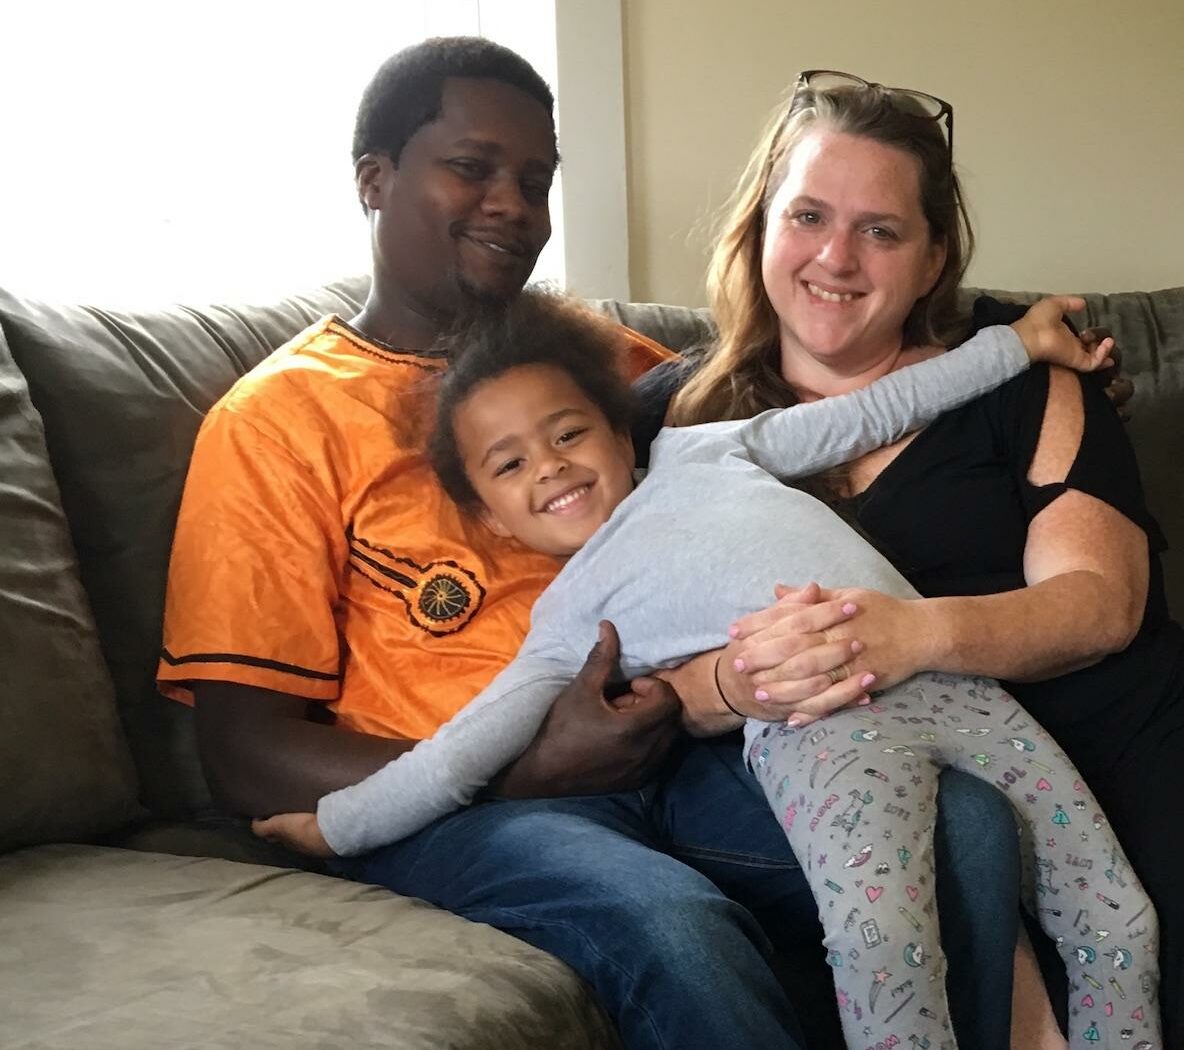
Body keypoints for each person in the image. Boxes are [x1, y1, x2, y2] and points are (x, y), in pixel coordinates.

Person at [158, 37, 1030, 1050]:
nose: (512, 206)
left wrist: (1032, 374)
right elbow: (242, 753)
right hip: (468, 809)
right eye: (473, 168)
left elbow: (804, 399)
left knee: (957, 826)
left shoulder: (611, 366)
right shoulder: (278, 422)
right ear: (374, 177)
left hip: (694, 755)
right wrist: (528, 768)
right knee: (676, 927)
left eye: (534, 182)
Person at [253, 289, 1160, 1050]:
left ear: (619, 431)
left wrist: (1017, 344)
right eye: (512, 465)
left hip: (950, 675)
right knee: (889, 952)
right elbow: (455, 757)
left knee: (1120, 921)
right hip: (829, 733)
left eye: (569, 434)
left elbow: (877, 410)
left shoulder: (707, 446)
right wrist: (335, 829)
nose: (553, 468)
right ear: (490, 517)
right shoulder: (568, 626)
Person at [635, 71, 1184, 1050]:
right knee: (959, 909)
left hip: (1110, 718)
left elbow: (1100, 604)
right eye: (807, 216)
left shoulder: (1020, 370)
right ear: (759, 228)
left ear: (931, 263)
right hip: (896, 750)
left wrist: (912, 633)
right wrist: (739, 678)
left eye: (881, 230)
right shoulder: (675, 416)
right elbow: (626, 669)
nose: (836, 256)